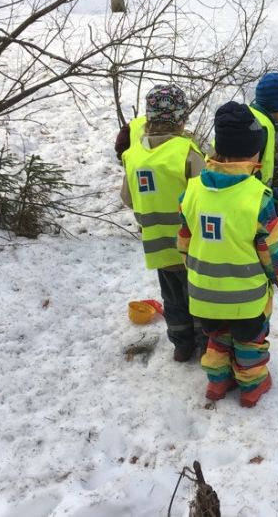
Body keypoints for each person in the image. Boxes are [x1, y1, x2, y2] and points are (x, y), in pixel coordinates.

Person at [177, 101, 278, 407]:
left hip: (203, 295)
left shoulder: (191, 191)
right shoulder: (258, 198)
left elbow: (184, 242)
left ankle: (217, 384)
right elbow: (272, 251)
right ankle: (252, 386)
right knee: (249, 342)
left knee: (217, 338)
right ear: (254, 152)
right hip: (246, 298)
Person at [121, 85, 206, 362]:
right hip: (192, 246)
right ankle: (206, 346)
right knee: (198, 297)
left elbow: (129, 199)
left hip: (158, 246)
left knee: (172, 298)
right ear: (181, 119)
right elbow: (206, 199)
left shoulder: (133, 157)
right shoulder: (187, 152)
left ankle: (182, 347)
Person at [249, 72, 278, 186]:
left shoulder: (252, 114)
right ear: (276, 107)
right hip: (252, 197)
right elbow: (247, 170)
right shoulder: (260, 130)